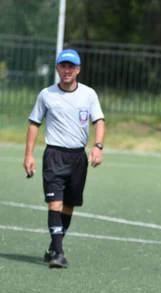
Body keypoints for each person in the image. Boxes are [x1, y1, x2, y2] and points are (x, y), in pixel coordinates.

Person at [23, 49, 105, 269]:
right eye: (63, 66)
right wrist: (28, 155)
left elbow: (99, 121)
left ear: (78, 69)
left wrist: (98, 146)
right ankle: (59, 253)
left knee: (68, 205)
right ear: (57, 68)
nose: (67, 70)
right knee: (55, 202)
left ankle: (53, 247)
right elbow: (34, 124)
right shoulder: (46, 94)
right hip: (54, 156)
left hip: (78, 157)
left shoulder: (88, 94)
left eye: (71, 66)